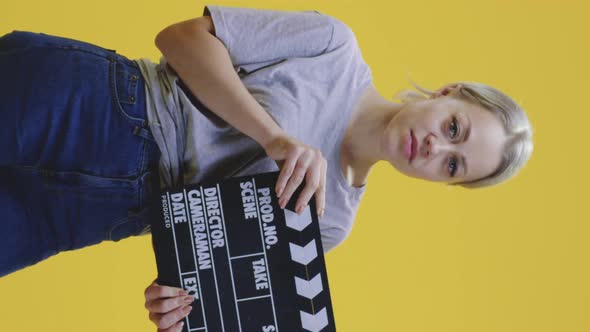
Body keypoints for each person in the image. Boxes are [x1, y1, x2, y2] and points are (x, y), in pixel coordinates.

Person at [0, 4, 533, 332]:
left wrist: (176, 306)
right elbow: (180, 39)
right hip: (103, 105)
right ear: (449, 93)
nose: (435, 147)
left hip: (103, 212)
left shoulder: (331, 220)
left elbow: (210, 274)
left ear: (445, 184)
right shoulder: (334, 48)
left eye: (453, 165)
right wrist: (272, 136)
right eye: (455, 127)